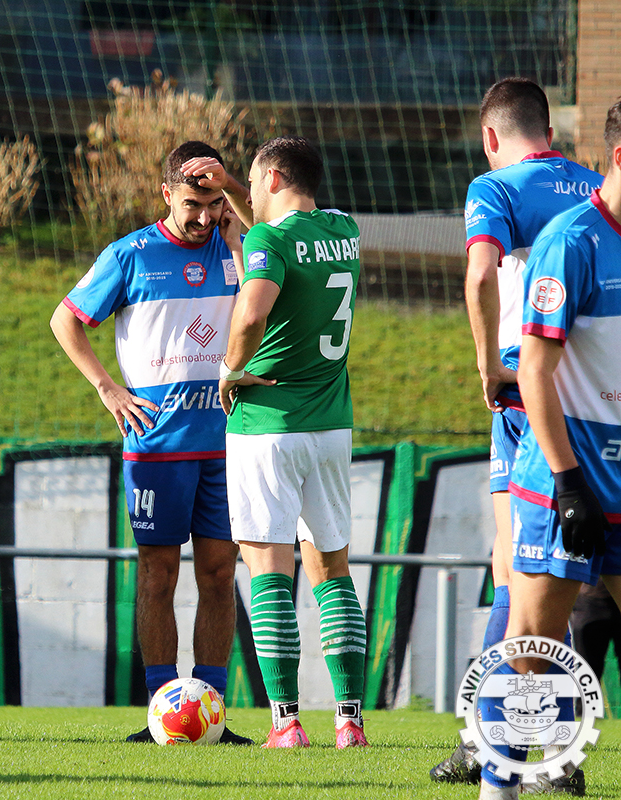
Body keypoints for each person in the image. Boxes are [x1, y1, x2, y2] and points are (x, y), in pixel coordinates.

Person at [51, 140, 268, 744]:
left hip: (228, 443)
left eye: (213, 203)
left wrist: (235, 195)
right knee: (158, 574)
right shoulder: (130, 255)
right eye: (193, 203)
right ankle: (162, 712)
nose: (204, 216)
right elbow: (65, 319)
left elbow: (273, 236)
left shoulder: (240, 248)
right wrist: (107, 388)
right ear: (167, 193)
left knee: (220, 574)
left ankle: (211, 713)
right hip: (157, 446)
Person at [431, 76, 601, 789]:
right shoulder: (595, 186)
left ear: (490, 138)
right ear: (551, 133)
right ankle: (550, 750)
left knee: (518, 573)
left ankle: (498, 746)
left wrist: (485, 365)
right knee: (558, 578)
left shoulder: (494, 188)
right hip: (589, 399)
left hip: (522, 391)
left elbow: (480, 276)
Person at [187, 136, 368, 749]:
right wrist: (234, 186)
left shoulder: (267, 240)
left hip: (267, 422)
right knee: (332, 569)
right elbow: (278, 228)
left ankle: (286, 723)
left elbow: (251, 313)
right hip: (331, 424)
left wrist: (229, 370)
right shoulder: (344, 230)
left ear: (274, 177)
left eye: (254, 179)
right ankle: (349, 722)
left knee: (268, 567)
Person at [478, 97, 621, 800]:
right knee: (531, 649)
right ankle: (499, 787)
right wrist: (567, 482)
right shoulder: (572, 240)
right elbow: (533, 370)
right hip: (567, 478)